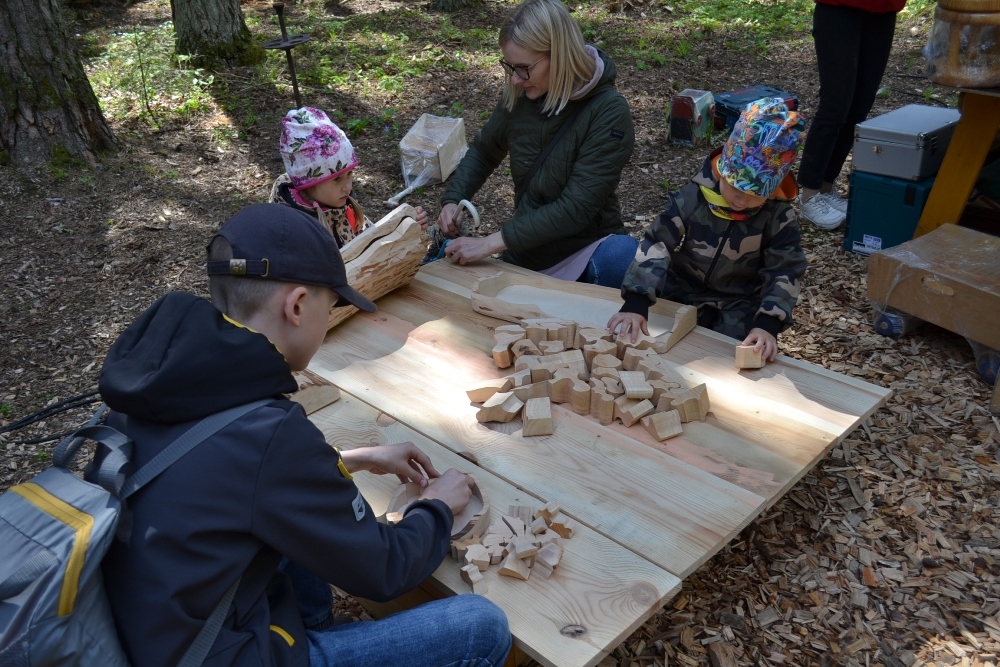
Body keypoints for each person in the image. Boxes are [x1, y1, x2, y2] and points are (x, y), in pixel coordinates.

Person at [93, 203, 510, 667]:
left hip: (149, 630)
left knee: (294, 534)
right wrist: (437, 505)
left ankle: (315, 630)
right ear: (295, 306)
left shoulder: (164, 381)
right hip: (214, 652)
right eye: (330, 307)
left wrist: (349, 458)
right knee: (481, 626)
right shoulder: (271, 436)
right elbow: (384, 570)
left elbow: (219, 478)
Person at [434, 0, 637, 288]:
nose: (515, 79)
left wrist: (490, 243)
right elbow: (483, 151)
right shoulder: (521, 97)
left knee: (623, 256)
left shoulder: (608, 112)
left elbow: (574, 208)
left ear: (560, 56)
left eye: (524, 68)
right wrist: (453, 199)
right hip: (528, 253)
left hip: (585, 251)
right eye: (510, 67)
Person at [608, 99, 809, 362]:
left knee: (730, 357)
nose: (740, 200)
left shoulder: (778, 216)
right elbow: (658, 243)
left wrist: (768, 323)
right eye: (735, 188)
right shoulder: (692, 197)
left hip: (740, 299)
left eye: (753, 195)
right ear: (723, 169)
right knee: (654, 346)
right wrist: (637, 301)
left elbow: (785, 269)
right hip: (683, 288)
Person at [797, 0, 906, 230]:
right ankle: (809, 195)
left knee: (860, 105)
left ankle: (826, 189)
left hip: (883, 10)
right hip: (839, 8)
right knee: (835, 104)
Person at [271, 106, 429, 246]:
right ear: (308, 183)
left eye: (350, 174)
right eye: (337, 179)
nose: (348, 187)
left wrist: (405, 231)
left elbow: (372, 244)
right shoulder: (293, 230)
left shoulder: (346, 209)